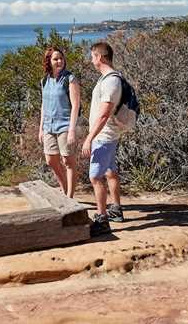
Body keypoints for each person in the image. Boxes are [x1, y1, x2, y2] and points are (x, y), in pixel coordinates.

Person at [81, 41, 125, 236]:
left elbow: (104, 114)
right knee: (109, 172)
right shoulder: (109, 78)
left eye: (92, 56)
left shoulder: (110, 81)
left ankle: (102, 219)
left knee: (95, 177)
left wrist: (90, 138)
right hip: (107, 135)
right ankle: (116, 209)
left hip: (104, 136)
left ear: (100, 57)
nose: (91, 60)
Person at [39, 46, 81, 197]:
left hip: (65, 124)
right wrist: (41, 128)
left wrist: (71, 129)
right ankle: (64, 189)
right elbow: (43, 105)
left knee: (68, 161)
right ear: (49, 61)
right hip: (48, 126)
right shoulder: (44, 80)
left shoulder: (70, 79)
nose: (59, 61)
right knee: (51, 160)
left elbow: (75, 105)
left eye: (61, 58)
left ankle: (69, 197)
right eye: (55, 59)